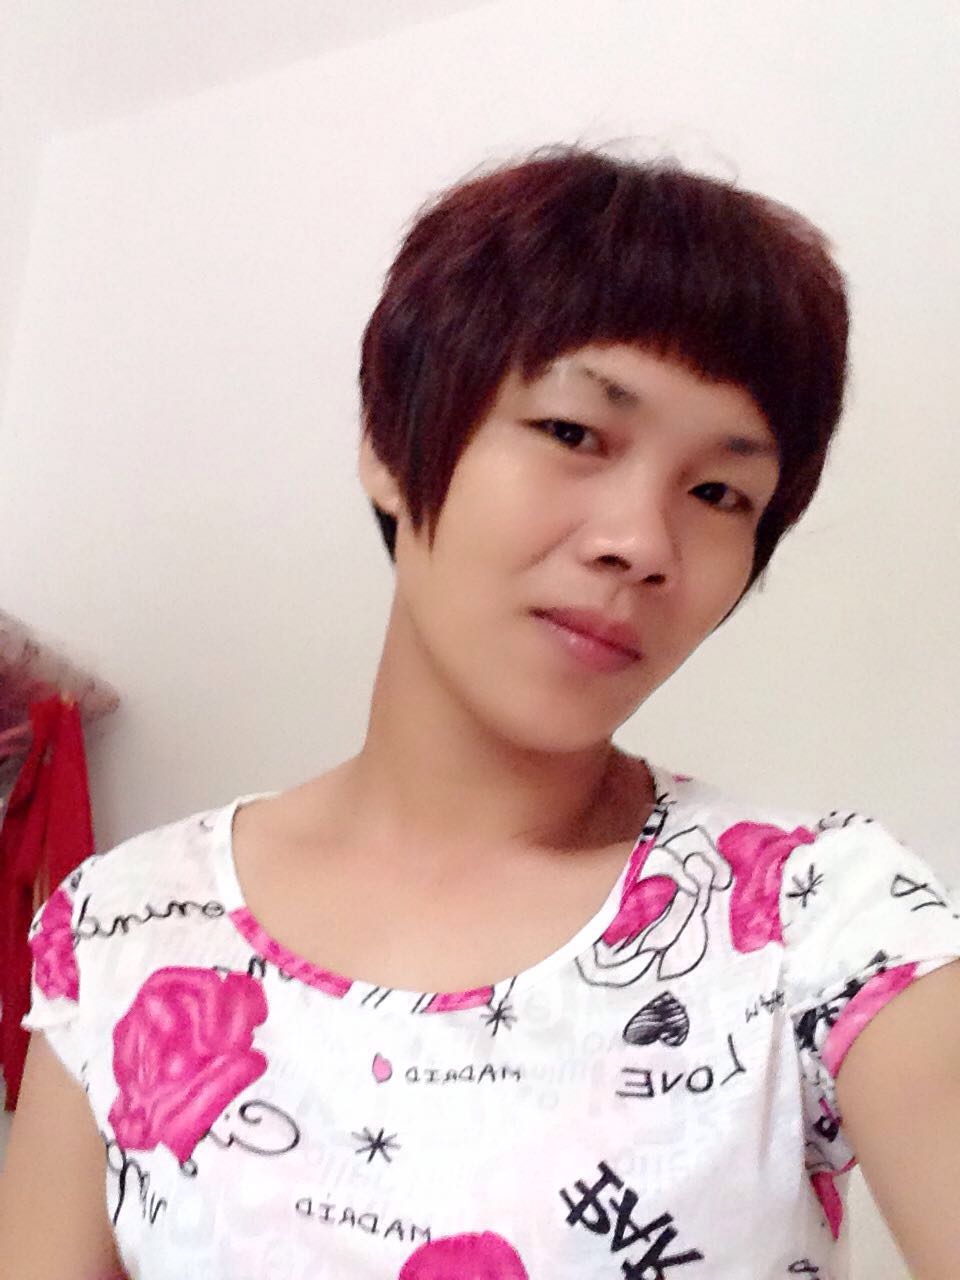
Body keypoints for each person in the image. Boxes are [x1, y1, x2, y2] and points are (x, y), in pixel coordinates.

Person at [1, 142, 958, 1280]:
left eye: (719, 492)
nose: (642, 542)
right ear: (389, 443)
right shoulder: (120, 930)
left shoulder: (819, 916)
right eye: (574, 432)